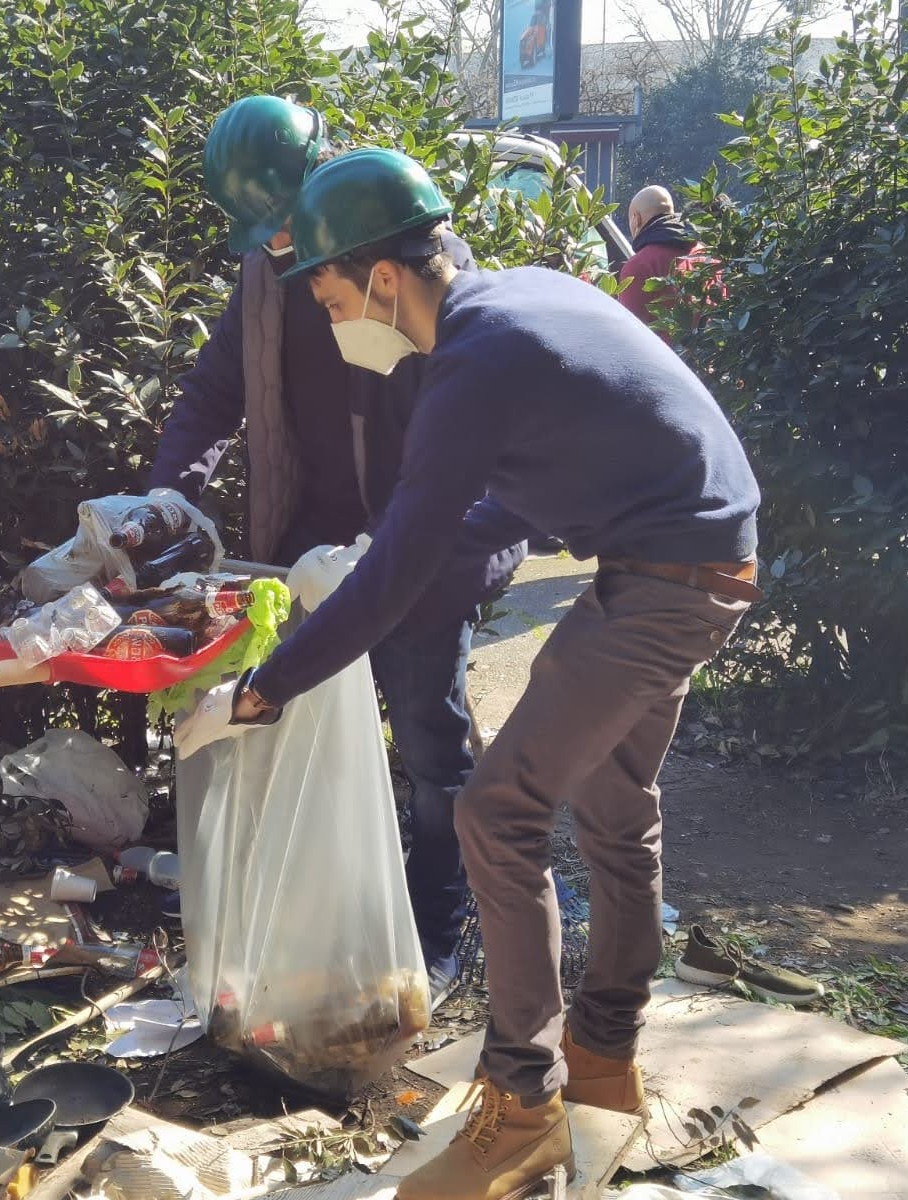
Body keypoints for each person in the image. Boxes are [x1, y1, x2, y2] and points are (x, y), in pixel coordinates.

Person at [189, 148, 761, 1199]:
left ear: (380, 275)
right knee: (614, 804)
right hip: (698, 555)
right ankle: (601, 1063)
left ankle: (523, 1105)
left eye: (322, 286)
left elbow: (407, 557)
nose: (322, 311)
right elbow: (532, 492)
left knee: (496, 813)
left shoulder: (471, 357)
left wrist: (273, 682)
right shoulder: (521, 302)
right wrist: (412, 553)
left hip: (666, 578)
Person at [151, 96, 526, 1007]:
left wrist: (418, 552)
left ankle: (438, 928)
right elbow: (214, 393)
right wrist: (163, 495)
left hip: (417, 544)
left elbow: (489, 460)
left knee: (429, 739)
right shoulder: (261, 275)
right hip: (304, 549)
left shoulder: (406, 256)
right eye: (264, 236)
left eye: (289, 232)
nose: (280, 251)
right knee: (298, 728)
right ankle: (327, 915)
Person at [618, 184, 706, 334]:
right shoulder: (707, 256)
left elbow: (628, 334)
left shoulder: (639, 266)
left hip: (660, 357)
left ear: (636, 219)